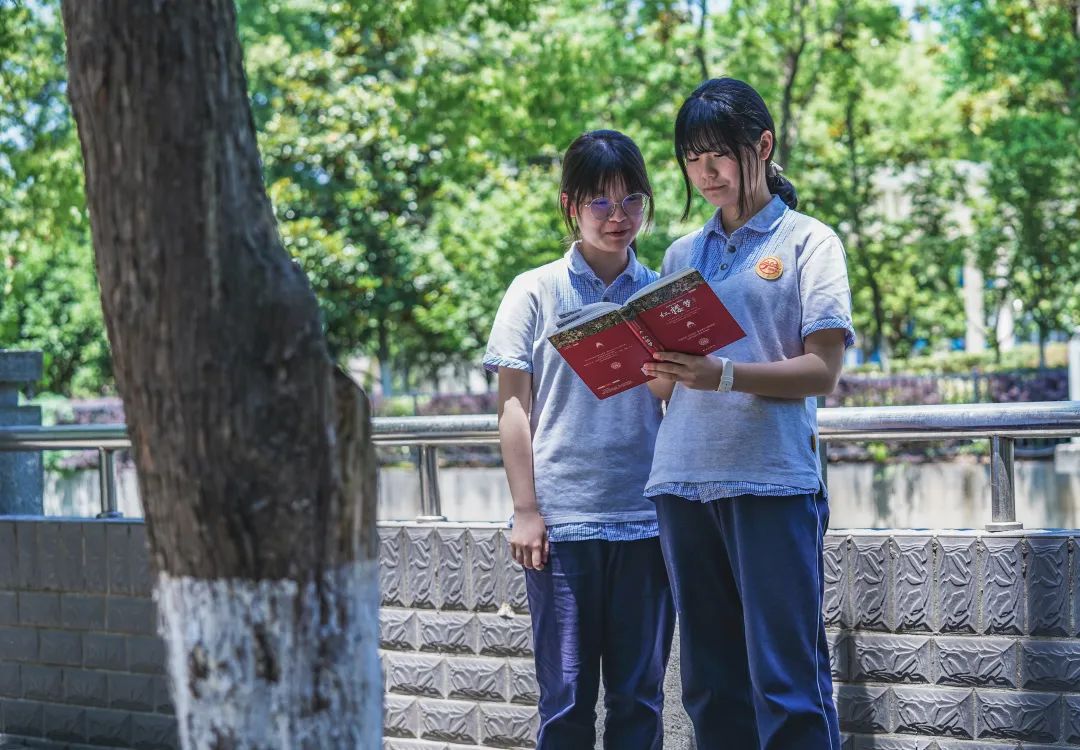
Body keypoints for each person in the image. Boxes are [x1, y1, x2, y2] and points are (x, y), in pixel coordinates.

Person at [641, 78, 854, 750]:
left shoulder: (808, 243)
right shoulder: (680, 256)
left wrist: (723, 374)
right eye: (692, 157)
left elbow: (823, 370)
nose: (706, 171)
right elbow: (672, 390)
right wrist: (651, 371)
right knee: (709, 685)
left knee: (787, 684)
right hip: (681, 483)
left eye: (721, 154)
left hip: (771, 483)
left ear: (762, 145)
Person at [484, 129, 675, 750]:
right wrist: (526, 511)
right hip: (562, 527)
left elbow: (682, 405)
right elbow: (514, 405)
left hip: (647, 520)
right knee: (565, 701)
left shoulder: (661, 294)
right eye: (600, 202)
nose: (618, 218)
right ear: (571, 205)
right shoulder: (534, 291)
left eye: (632, 201)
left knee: (639, 700)